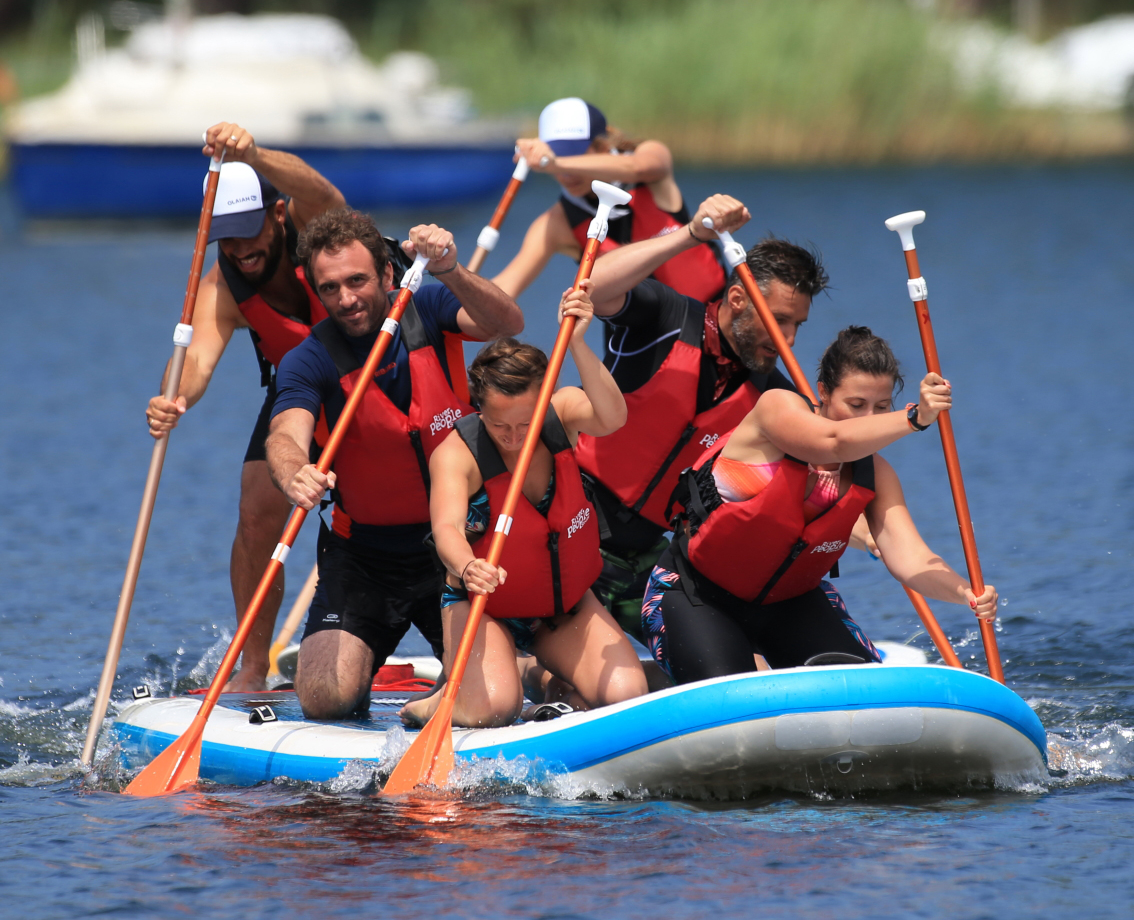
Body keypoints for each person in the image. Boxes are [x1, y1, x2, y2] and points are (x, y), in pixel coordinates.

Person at [265, 208, 524, 720]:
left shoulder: (427, 305)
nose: (346, 299)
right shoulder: (309, 359)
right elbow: (284, 434)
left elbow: (506, 322)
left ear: (387, 272)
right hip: (364, 556)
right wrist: (295, 469)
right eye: (330, 288)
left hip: (457, 546)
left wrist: (449, 267)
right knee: (325, 699)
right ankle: (375, 671)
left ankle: (528, 669)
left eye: (357, 281)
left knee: (500, 695)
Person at [642, 327, 998, 683]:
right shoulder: (777, 407)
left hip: (790, 602)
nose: (868, 420)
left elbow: (910, 557)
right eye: (856, 405)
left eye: (881, 407)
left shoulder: (875, 473)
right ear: (824, 392)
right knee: (730, 701)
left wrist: (964, 591)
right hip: (695, 595)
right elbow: (833, 442)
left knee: (862, 695)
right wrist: (914, 418)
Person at [145, 122, 345, 692]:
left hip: (375, 380)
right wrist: (172, 398)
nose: (241, 250)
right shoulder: (223, 285)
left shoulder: (313, 230)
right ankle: (252, 668)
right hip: (301, 393)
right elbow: (196, 362)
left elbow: (326, 194)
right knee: (257, 511)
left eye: (249, 232)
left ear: (277, 214)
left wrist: (255, 154)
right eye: (227, 239)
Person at [575, 193, 828, 640]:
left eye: (797, 326)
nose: (787, 338)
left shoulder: (772, 394)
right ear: (737, 298)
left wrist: (868, 535)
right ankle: (541, 670)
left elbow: (825, 464)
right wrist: (693, 233)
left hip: (650, 555)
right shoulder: (664, 317)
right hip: (573, 530)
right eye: (779, 319)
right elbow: (590, 283)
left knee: (724, 665)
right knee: (613, 685)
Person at [403, 283, 647, 729]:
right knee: (494, 710)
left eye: (524, 424)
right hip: (484, 605)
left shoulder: (562, 413)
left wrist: (576, 342)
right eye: (500, 425)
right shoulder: (457, 454)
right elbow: (447, 529)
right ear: (480, 409)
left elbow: (615, 416)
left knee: (626, 695)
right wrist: (467, 566)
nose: (515, 438)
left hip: (558, 606)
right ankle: (437, 702)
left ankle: (532, 673)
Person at [492, 96, 725, 303]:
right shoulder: (556, 222)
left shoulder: (650, 159)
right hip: (642, 346)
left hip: (712, 321)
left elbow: (638, 167)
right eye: (556, 156)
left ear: (603, 146)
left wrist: (555, 163)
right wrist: (457, 281)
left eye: (574, 155)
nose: (565, 174)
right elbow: (505, 289)